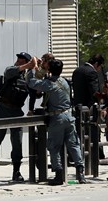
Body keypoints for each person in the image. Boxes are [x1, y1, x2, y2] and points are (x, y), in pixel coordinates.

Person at [26, 57, 87, 186]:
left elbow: (31, 82)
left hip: (57, 118)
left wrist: (33, 68)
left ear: (50, 69)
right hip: (69, 116)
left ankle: (58, 174)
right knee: (74, 145)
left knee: (54, 147)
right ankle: (81, 173)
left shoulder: (49, 84)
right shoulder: (65, 82)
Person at [0, 52, 33, 182]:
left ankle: (16, 171)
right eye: (18, 59)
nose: (18, 62)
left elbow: (36, 91)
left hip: (17, 111)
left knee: (17, 142)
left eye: (22, 60)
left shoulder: (28, 77)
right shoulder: (11, 71)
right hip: (3, 109)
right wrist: (29, 65)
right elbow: (10, 71)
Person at [71, 54, 105, 163]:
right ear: (96, 64)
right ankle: (94, 156)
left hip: (77, 105)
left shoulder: (77, 70)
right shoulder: (91, 72)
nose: (99, 69)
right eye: (100, 67)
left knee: (78, 132)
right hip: (88, 107)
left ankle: (77, 156)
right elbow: (94, 92)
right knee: (91, 132)